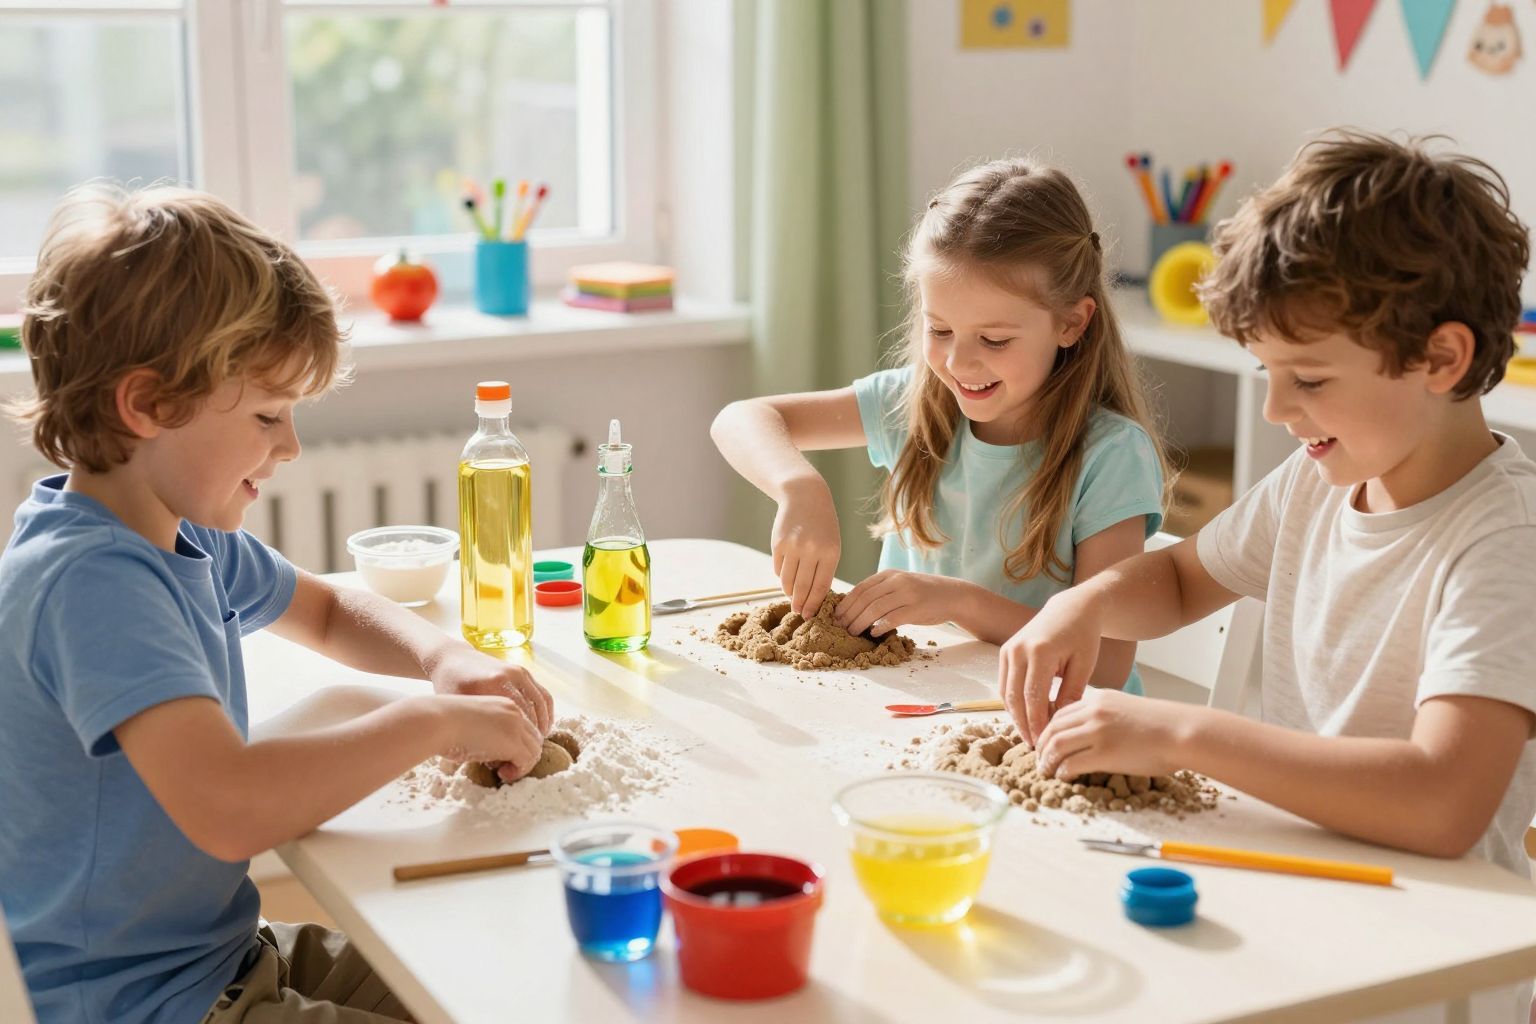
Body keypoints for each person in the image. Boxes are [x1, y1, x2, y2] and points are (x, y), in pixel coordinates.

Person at [0, 184, 555, 1023]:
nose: (290, 446)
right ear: (148, 405)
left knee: (477, 984)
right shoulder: (89, 581)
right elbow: (232, 809)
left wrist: (445, 659)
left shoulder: (178, 534)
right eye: (267, 415)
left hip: (219, 958)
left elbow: (329, 611)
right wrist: (434, 724)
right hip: (142, 1006)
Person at [1000, 130, 1536, 889]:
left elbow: (1442, 802)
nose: (1276, 410)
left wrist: (1183, 731)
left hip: (1430, 951)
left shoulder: (1505, 540)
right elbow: (1183, 581)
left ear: (1442, 359)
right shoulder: (1315, 480)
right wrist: (1081, 607)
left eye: (1309, 381)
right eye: (1266, 372)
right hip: (1293, 882)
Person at [713, 157, 1168, 691]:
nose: (958, 363)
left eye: (994, 340)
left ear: (1071, 322)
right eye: (940, 329)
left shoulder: (1110, 456)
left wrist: (955, 601)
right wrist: (799, 486)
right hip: (925, 701)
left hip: (1052, 727)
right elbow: (741, 418)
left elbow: (1105, 666)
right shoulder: (915, 404)